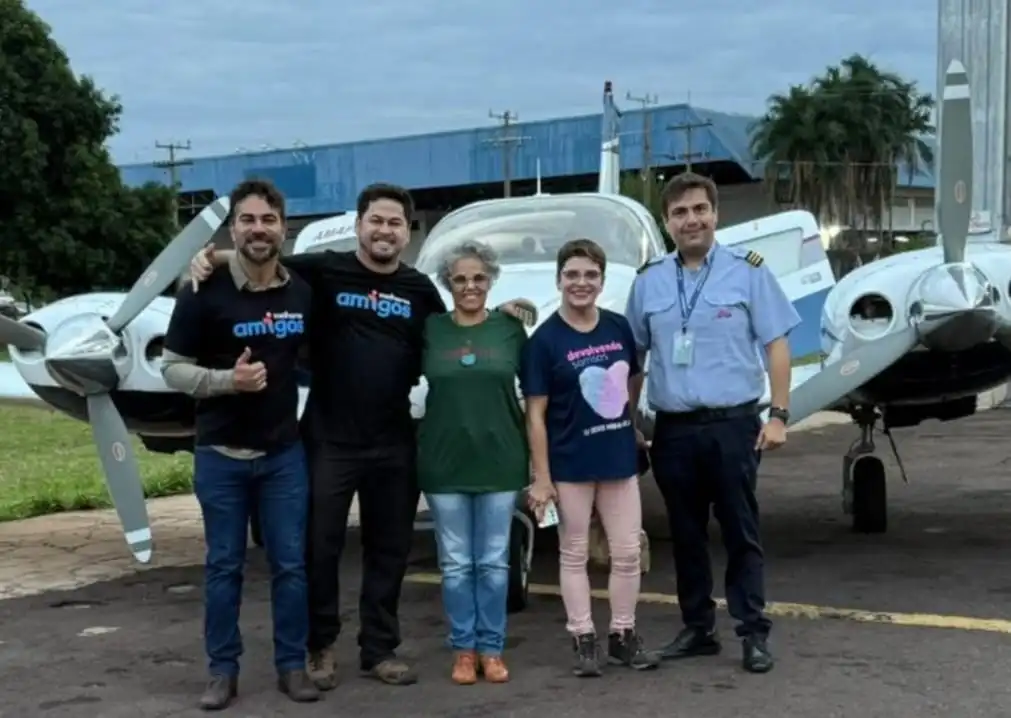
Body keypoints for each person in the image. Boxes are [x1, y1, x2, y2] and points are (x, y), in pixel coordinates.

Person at [187, 182, 532, 690]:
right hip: (328, 437)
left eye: (395, 223)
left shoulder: (419, 290)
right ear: (359, 226)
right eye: (376, 221)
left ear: (406, 233)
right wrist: (209, 257)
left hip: (393, 438)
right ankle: (319, 646)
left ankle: (379, 649)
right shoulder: (323, 269)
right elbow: (262, 256)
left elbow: (454, 331)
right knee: (319, 548)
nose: (385, 231)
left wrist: (504, 315)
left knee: (388, 549)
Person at [624, 172, 800, 674]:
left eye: (700, 209)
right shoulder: (649, 279)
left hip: (732, 426)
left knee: (741, 531)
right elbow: (634, 358)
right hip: (674, 429)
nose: (691, 220)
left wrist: (779, 415)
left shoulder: (749, 271)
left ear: (716, 214)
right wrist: (628, 422)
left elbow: (777, 344)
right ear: (667, 222)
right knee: (685, 534)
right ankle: (698, 628)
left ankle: (752, 630)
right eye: (680, 213)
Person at [162, 178, 320, 709]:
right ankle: (222, 671)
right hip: (220, 455)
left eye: (268, 220)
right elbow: (173, 369)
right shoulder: (201, 292)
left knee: (291, 565)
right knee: (223, 565)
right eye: (248, 220)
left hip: (283, 456)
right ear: (234, 228)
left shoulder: (300, 290)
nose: (259, 229)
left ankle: (292, 666)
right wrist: (229, 382)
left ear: (283, 227)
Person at [521, 238, 660, 678]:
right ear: (560, 280)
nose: (581, 283)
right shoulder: (544, 341)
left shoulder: (618, 328)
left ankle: (623, 634)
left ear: (601, 280)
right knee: (574, 553)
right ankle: (583, 638)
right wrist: (542, 477)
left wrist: (631, 425)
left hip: (618, 459)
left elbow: (632, 381)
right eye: (572, 275)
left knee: (626, 551)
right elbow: (536, 415)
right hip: (570, 464)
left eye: (590, 275)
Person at [418, 239, 529, 685]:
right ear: (448, 283)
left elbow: (539, 393)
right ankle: (463, 650)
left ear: (491, 280)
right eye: (460, 279)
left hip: (501, 460)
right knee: (458, 563)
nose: (469, 286)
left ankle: (492, 648)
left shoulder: (508, 329)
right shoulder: (430, 329)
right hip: (444, 464)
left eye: (478, 278)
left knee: (496, 561)